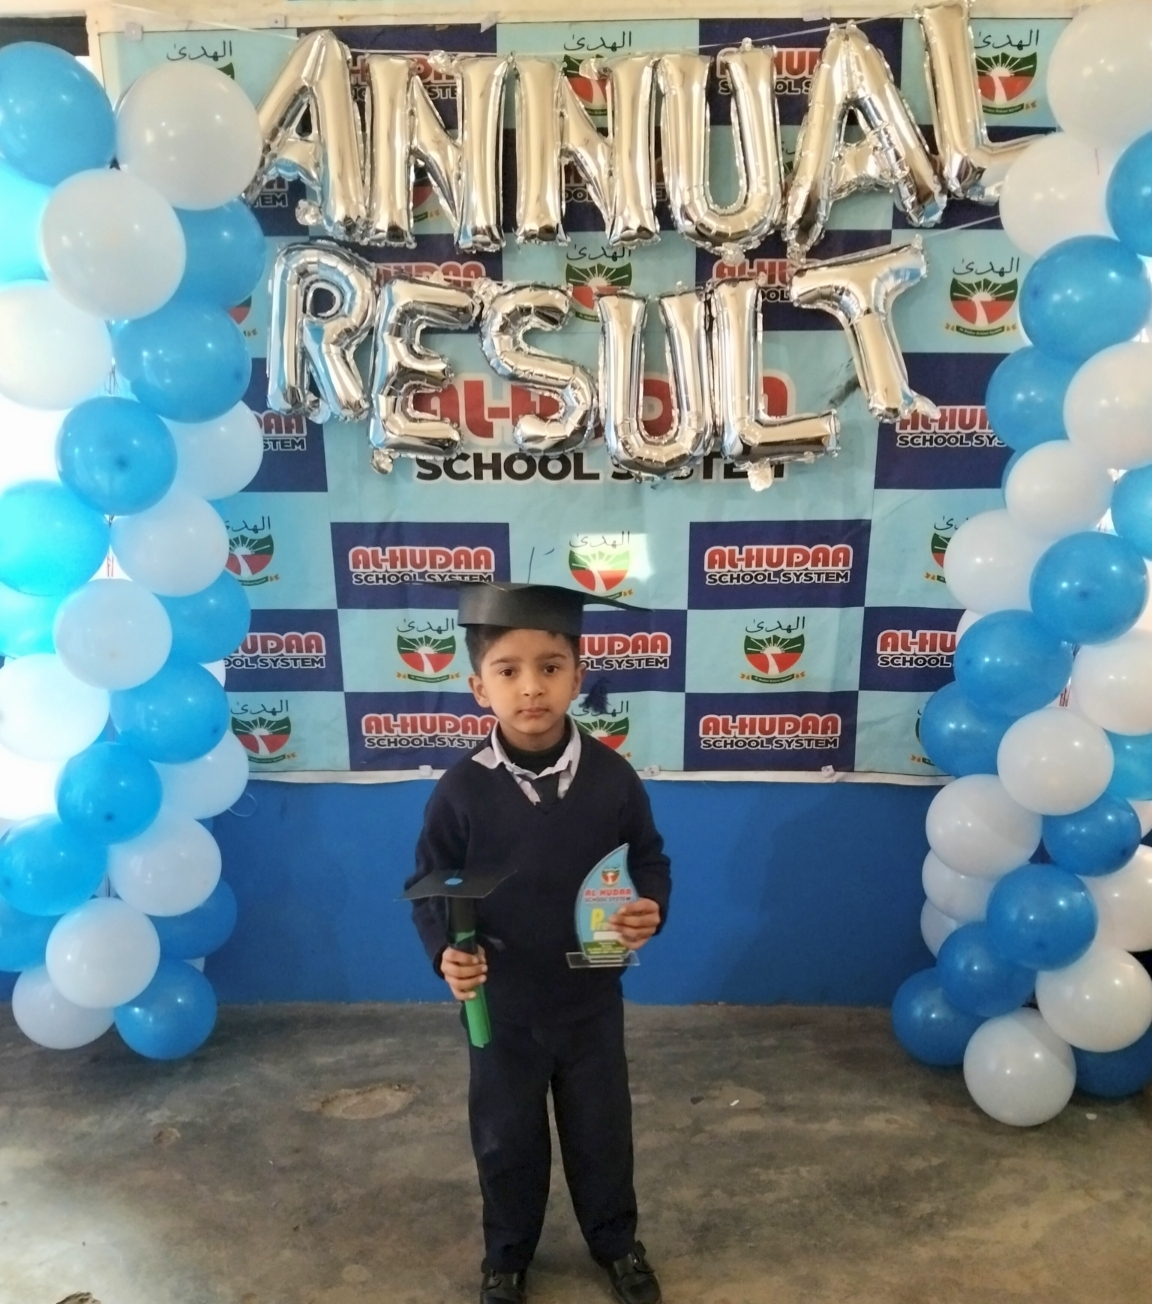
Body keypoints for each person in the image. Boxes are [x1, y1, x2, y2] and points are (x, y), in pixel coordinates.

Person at [406, 582, 672, 1304]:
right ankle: (507, 1256)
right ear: (478, 688)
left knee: (602, 1135)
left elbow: (648, 858)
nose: (531, 687)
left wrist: (650, 905)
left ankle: (616, 1244)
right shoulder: (461, 791)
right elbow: (430, 885)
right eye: (509, 670)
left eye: (551, 667)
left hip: (591, 1001)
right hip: (501, 1008)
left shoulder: (613, 779)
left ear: (578, 677)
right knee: (506, 1141)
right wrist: (445, 954)